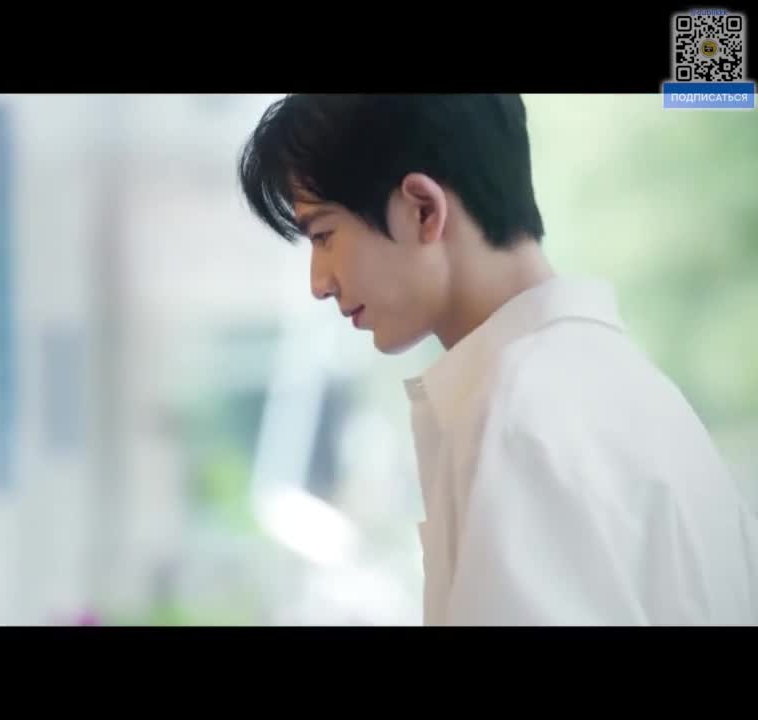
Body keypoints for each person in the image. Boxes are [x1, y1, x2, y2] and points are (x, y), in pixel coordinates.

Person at [237, 94, 758, 625]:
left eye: (323, 235)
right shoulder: (639, 394)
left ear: (423, 209)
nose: (319, 283)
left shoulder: (519, 416)